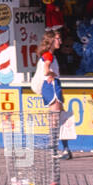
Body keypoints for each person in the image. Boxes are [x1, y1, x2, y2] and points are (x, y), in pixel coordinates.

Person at [35, 29, 67, 159]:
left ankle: (65, 149)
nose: (60, 41)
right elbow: (46, 70)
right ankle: (54, 149)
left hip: (53, 86)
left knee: (62, 117)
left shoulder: (49, 55)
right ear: (51, 40)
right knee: (56, 119)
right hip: (52, 86)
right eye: (58, 39)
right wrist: (52, 74)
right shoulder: (49, 55)